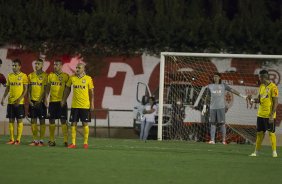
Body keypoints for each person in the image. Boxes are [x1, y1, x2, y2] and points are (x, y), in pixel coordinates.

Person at [202, 72, 248, 144]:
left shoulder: (223, 86)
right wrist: (204, 107)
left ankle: (224, 140)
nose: (215, 78)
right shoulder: (210, 86)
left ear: (220, 78)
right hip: (212, 108)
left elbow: (232, 90)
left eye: (217, 76)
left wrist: (242, 96)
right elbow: (207, 96)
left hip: (221, 108)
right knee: (212, 123)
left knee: (222, 124)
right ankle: (212, 140)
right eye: (214, 76)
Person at [61, 63, 94, 149]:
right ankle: (73, 143)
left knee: (85, 123)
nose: (77, 69)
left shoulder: (88, 79)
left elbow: (91, 92)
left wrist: (92, 103)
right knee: (73, 123)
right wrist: (64, 99)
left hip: (85, 105)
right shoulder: (72, 78)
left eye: (79, 67)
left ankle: (85, 143)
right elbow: (67, 88)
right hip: (75, 105)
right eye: (76, 67)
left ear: (83, 69)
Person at [249, 70, 278, 158]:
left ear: (263, 77)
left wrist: (272, 115)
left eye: (260, 77)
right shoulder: (261, 86)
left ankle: (274, 152)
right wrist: (252, 100)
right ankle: (256, 152)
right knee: (259, 134)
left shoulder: (273, 87)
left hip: (269, 115)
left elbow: (276, 102)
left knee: (271, 133)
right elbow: (259, 100)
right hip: (260, 115)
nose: (259, 78)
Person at [1, 59, 28, 145]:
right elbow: (7, 88)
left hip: (19, 103)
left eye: (15, 65)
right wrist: (3, 98)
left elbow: (26, 89)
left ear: (20, 66)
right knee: (11, 120)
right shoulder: (10, 76)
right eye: (13, 65)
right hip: (10, 102)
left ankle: (18, 140)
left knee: (19, 120)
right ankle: (12, 139)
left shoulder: (24, 76)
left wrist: (20, 99)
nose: (14, 67)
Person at [45, 60, 69, 147]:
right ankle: (52, 140)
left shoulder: (66, 76)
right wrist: (46, 98)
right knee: (51, 120)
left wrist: (64, 99)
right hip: (52, 102)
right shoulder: (50, 76)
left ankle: (66, 140)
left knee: (63, 121)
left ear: (61, 65)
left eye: (57, 65)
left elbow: (68, 89)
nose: (55, 66)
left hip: (61, 102)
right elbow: (47, 88)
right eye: (54, 64)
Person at [28, 58, 48, 146]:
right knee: (33, 120)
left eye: (38, 64)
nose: (36, 65)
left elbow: (45, 90)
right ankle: (35, 140)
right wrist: (29, 99)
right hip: (32, 101)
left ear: (42, 65)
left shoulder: (45, 76)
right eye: (35, 64)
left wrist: (40, 100)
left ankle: (41, 140)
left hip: (41, 101)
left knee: (42, 120)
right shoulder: (30, 75)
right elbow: (29, 89)